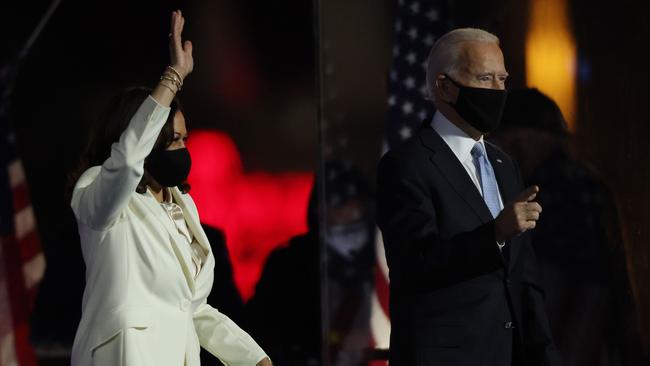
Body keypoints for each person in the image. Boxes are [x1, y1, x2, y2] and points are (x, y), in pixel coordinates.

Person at [68, 10, 272, 366]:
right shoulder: (100, 191)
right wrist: (173, 77)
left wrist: (254, 359)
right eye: (173, 141)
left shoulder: (183, 206)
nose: (183, 150)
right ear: (147, 142)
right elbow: (127, 160)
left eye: (185, 140)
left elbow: (193, 308)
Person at [376, 28, 560, 366]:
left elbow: (524, 277)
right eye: (485, 78)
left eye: (502, 79)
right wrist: (495, 235)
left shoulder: (504, 164)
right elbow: (415, 263)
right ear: (445, 87)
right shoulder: (406, 164)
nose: (498, 91)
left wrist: (545, 355)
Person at [492, 88, 645, 366]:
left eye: (503, 142)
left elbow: (568, 284)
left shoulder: (552, 189)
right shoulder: (586, 183)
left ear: (523, 140)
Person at [246, 160, 376, 365]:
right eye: (335, 201)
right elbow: (261, 330)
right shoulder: (288, 264)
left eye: (353, 200)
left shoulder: (382, 261)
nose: (351, 211)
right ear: (317, 207)